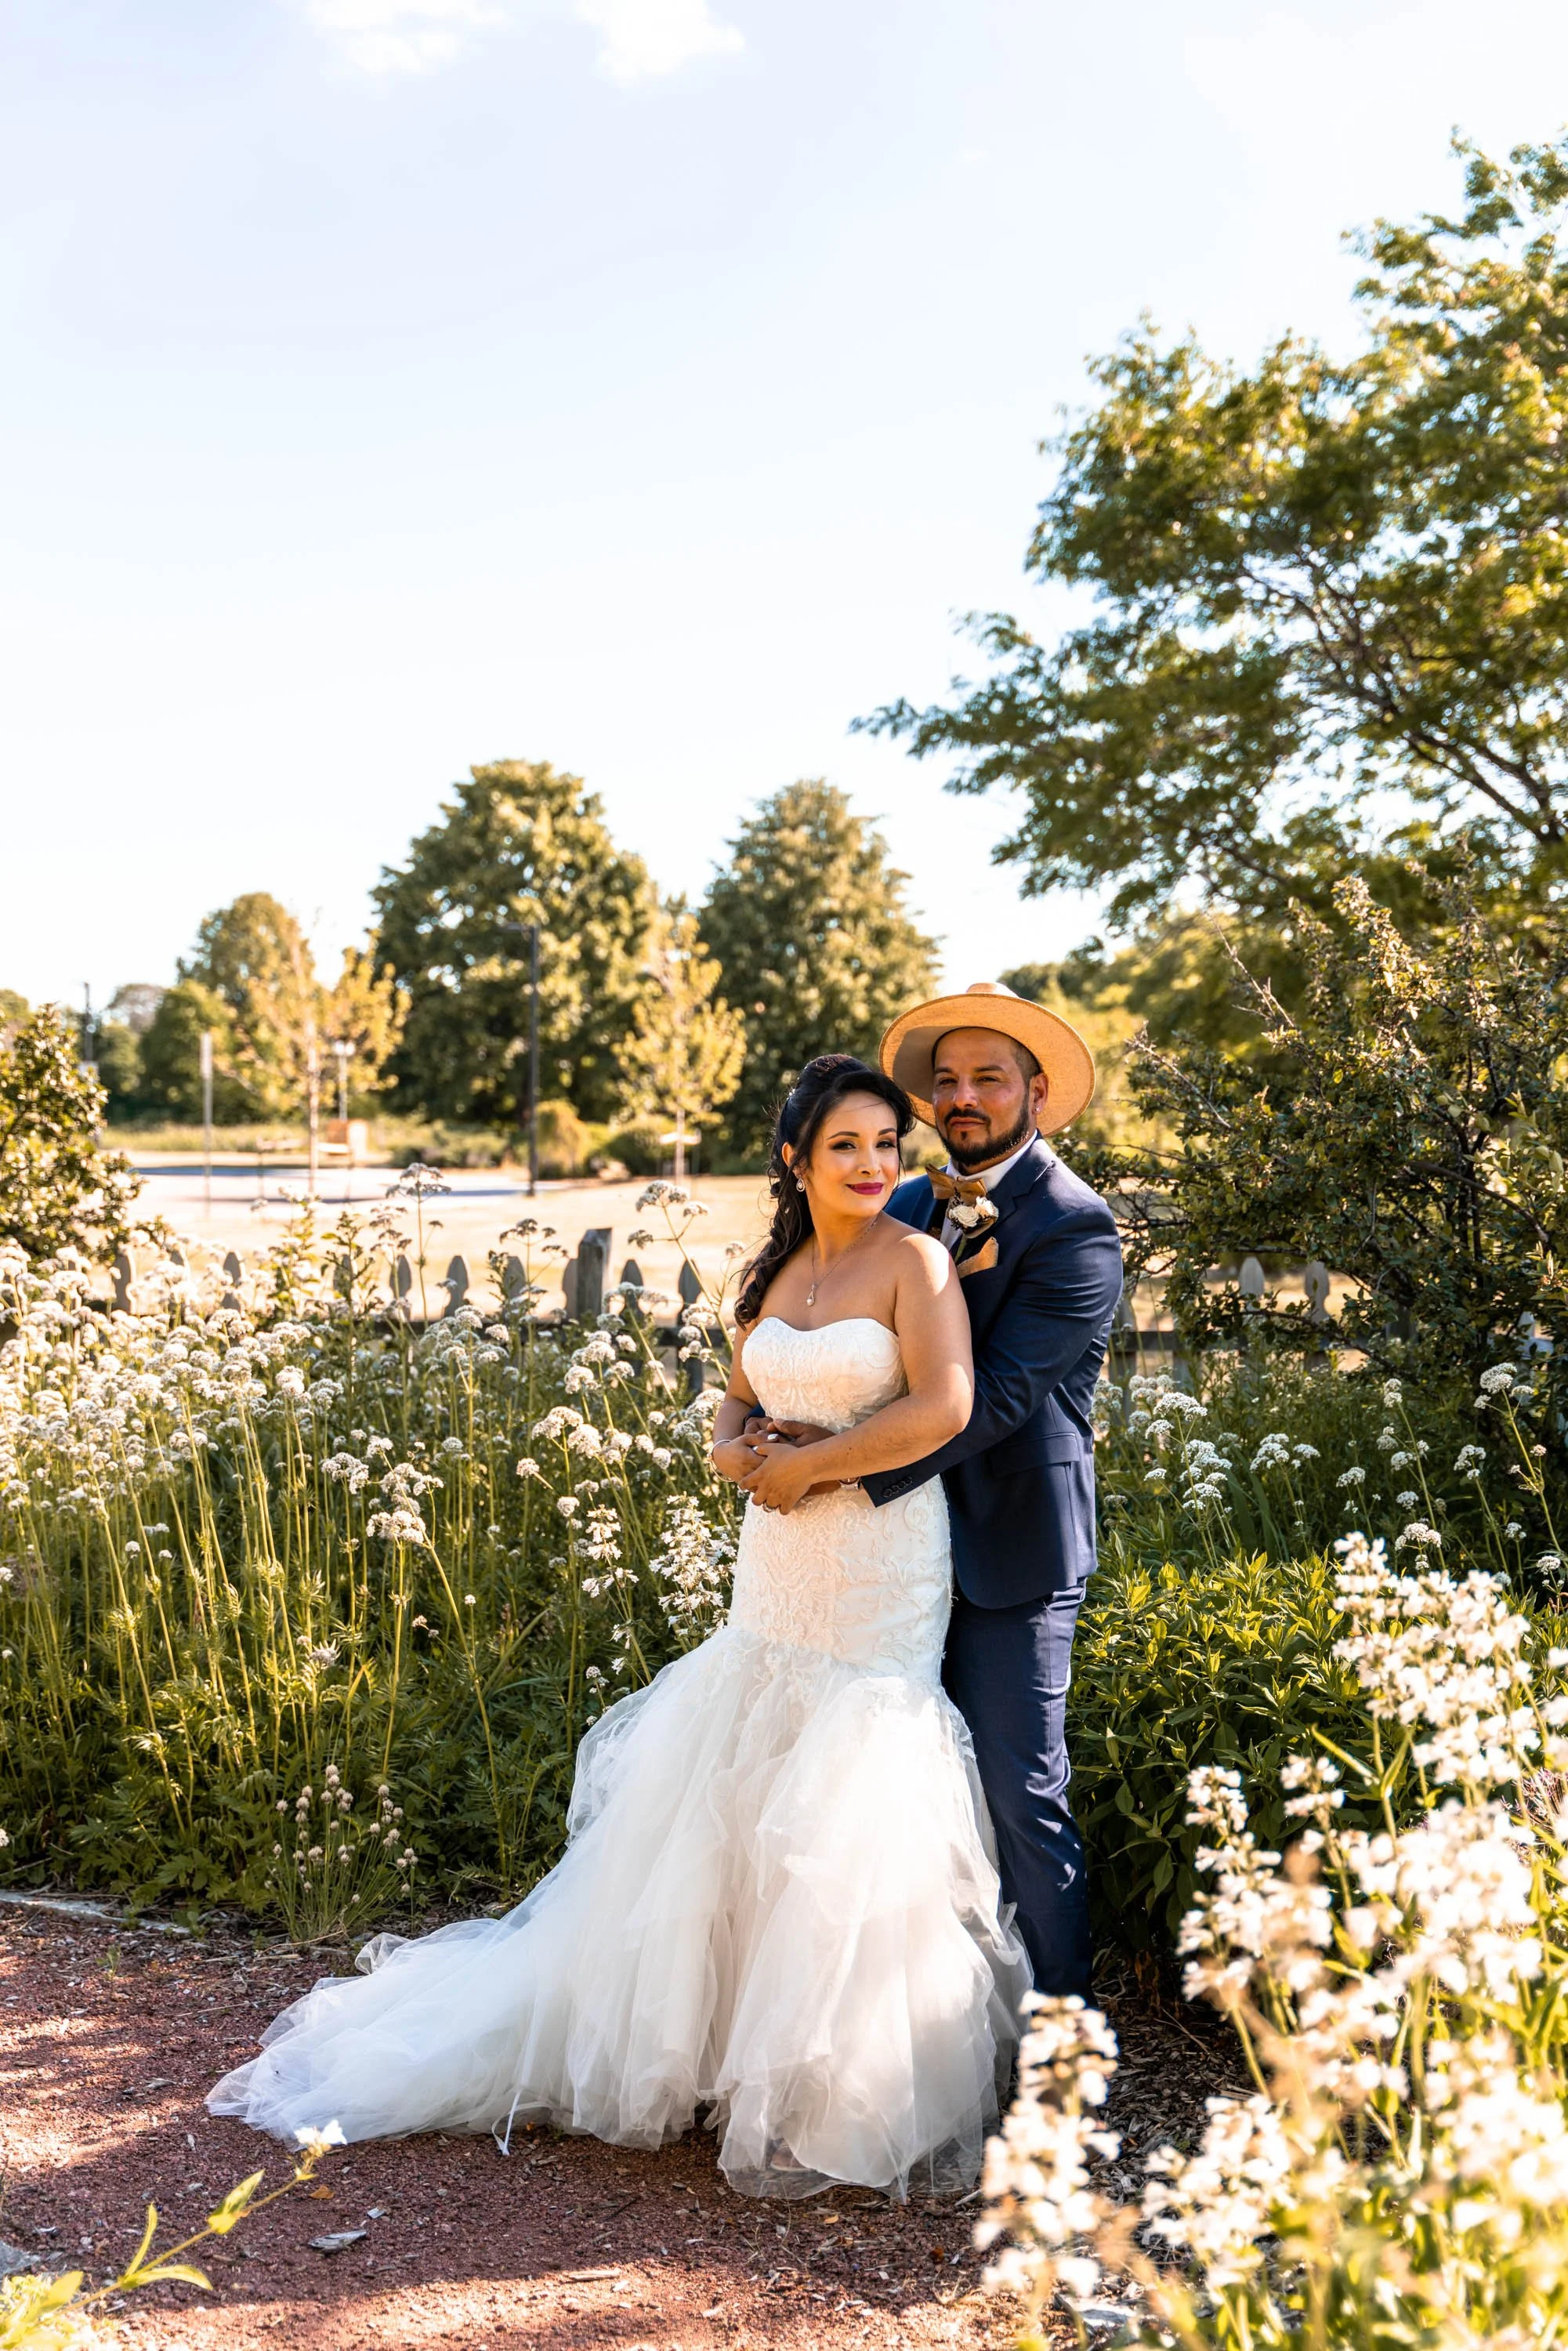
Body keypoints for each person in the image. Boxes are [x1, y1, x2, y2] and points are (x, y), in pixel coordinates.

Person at [209, 1053, 1030, 2201]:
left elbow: (944, 1404)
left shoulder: (918, 1262)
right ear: (796, 1159)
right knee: (745, 1767)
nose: (871, 1164)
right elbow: (737, 1397)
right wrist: (735, 1451)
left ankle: (821, 2091)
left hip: (878, 1558)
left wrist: (817, 1469)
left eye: (887, 1146)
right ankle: (708, 2050)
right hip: (777, 1557)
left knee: (849, 1784)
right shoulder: (777, 1268)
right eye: (845, 1145)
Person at [744, 981, 1123, 2000]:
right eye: (946, 1079)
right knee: (885, 1793)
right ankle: (922, 2022)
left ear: (1035, 1091)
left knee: (1017, 1791)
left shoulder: (1077, 1228)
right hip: (887, 1559)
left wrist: (825, 1464)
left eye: (987, 1078)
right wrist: (763, 1431)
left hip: (1009, 1547)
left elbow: (993, 1401)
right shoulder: (906, 1202)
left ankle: (1065, 2034)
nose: (962, 1096)